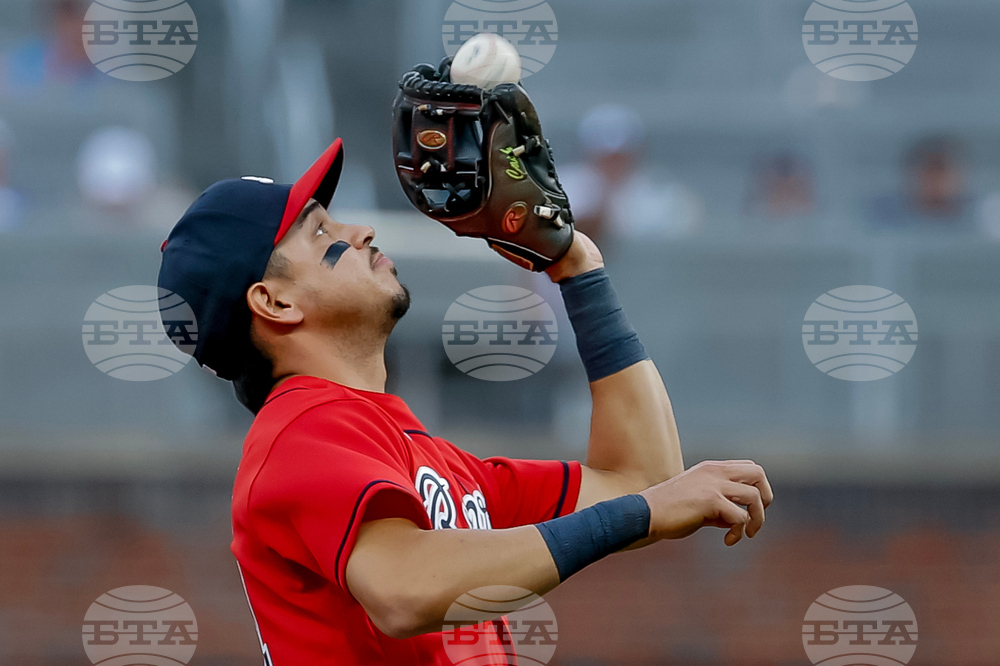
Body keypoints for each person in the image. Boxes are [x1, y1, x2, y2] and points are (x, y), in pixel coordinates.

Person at [157, 139, 772, 664]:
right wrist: (638, 513)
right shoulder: (300, 432)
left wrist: (576, 266)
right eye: (320, 233)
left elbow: (644, 480)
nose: (360, 230)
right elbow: (404, 590)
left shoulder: (414, 451)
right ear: (275, 302)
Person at [558, 105, 703, 245]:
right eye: (604, 155)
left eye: (620, 156)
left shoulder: (664, 196)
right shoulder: (559, 187)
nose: (612, 163)